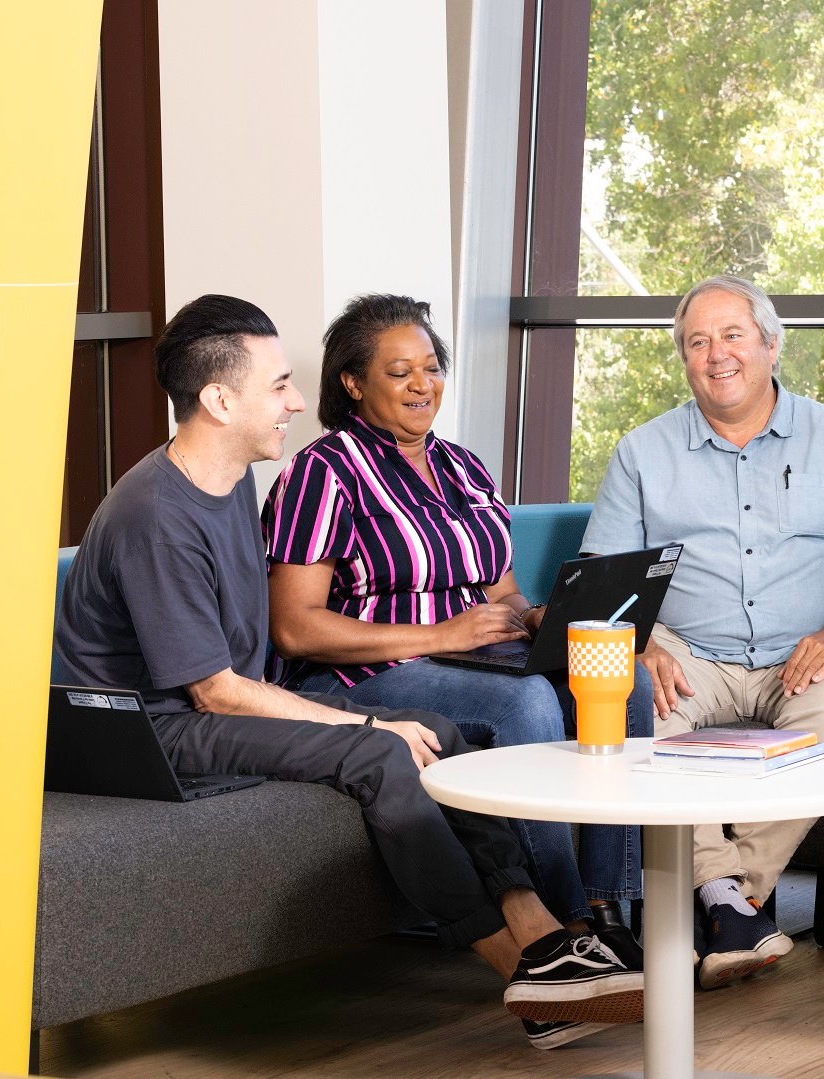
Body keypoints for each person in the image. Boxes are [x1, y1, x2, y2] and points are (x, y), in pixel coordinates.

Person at [53, 294, 641, 1051]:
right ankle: (526, 979)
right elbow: (214, 690)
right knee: (387, 748)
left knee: (442, 733)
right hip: (153, 735)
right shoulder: (154, 515)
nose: (299, 401)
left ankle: (545, 931)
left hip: (211, 710)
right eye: (279, 385)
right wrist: (365, 718)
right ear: (219, 398)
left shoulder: (230, 480)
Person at [262, 294, 649, 952]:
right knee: (526, 699)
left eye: (432, 366)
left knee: (623, 677)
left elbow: (499, 591)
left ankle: (612, 905)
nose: (423, 384)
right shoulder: (321, 473)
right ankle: (567, 924)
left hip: (477, 660)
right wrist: (441, 636)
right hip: (367, 673)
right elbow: (295, 629)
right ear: (352, 383)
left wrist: (539, 618)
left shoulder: (464, 467)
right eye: (399, 371)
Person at [581, 275, 824, 989]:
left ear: (770, 343)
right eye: (697, 341)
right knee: (639, 719)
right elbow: (601, 575)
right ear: (683, 360)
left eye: (732, 335)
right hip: (686, 653)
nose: (716, 354)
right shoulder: (642, 451)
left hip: (811, 650)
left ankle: (723, 897)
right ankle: (730, 905)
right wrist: (641, 646)